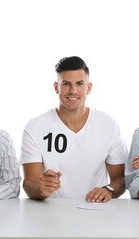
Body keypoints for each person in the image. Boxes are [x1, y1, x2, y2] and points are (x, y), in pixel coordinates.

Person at [20, 56, 127, 202]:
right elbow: (29, 183)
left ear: (88, 88)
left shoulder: (109, 125)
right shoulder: (35, 127)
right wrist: (41, 189)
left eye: (79, 83)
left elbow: (120, 179)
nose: (73, 90)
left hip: (95, 210)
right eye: (66, 84)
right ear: (56, 87)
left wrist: (109, 190)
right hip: (49, 214)